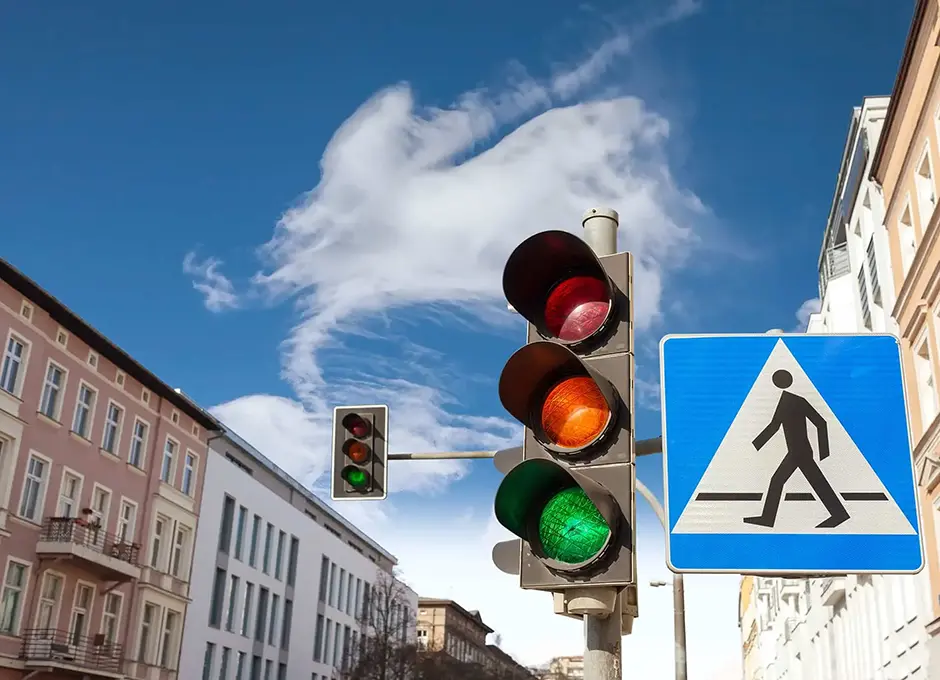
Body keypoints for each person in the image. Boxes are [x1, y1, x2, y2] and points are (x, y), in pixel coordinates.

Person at [743, 369, 849, 529]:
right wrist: (754, 445)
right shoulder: (788, 400)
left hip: (800, 452)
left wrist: (824, 453)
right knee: (797, 481)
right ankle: (768, 518)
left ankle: (768, 518)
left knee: (786, 481)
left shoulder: (792, 401)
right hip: (796, 452)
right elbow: (775, 426)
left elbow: (820, 423)